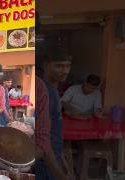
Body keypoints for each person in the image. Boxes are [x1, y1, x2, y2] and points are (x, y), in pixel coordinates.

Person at [37, 45, 72, 180]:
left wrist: (62, 159)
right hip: (45, 165)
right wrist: (60, 175)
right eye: (59, 66)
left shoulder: (54, 89)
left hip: (54, 159)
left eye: (68, 66)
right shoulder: (46, 91)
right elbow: (43, 140)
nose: (65, 71)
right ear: (46, 65)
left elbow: (53, 130)